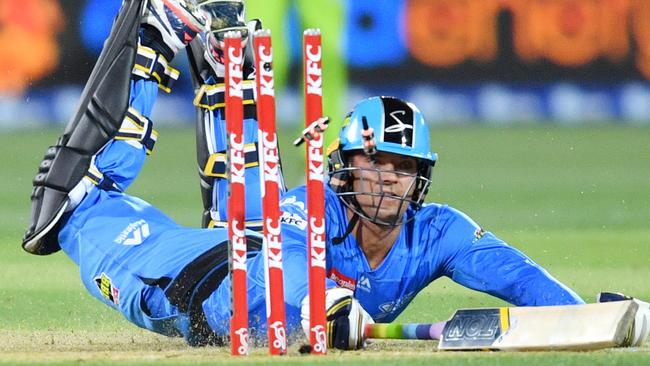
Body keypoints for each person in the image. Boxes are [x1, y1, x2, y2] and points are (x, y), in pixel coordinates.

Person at [22, 0, 649, 351]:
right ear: (344, 164)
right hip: (186, 285)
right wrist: (322, 302)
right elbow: (286, 257)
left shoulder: (434, 232)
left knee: (238, 224)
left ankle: (218, 74)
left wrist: (584, 318)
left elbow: (512, 274)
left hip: (241, 265)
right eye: (373, 161)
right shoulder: (315, 206)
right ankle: (152, 41)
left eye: (403, 168)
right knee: (79, 208)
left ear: (421, 179)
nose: (387, 180)